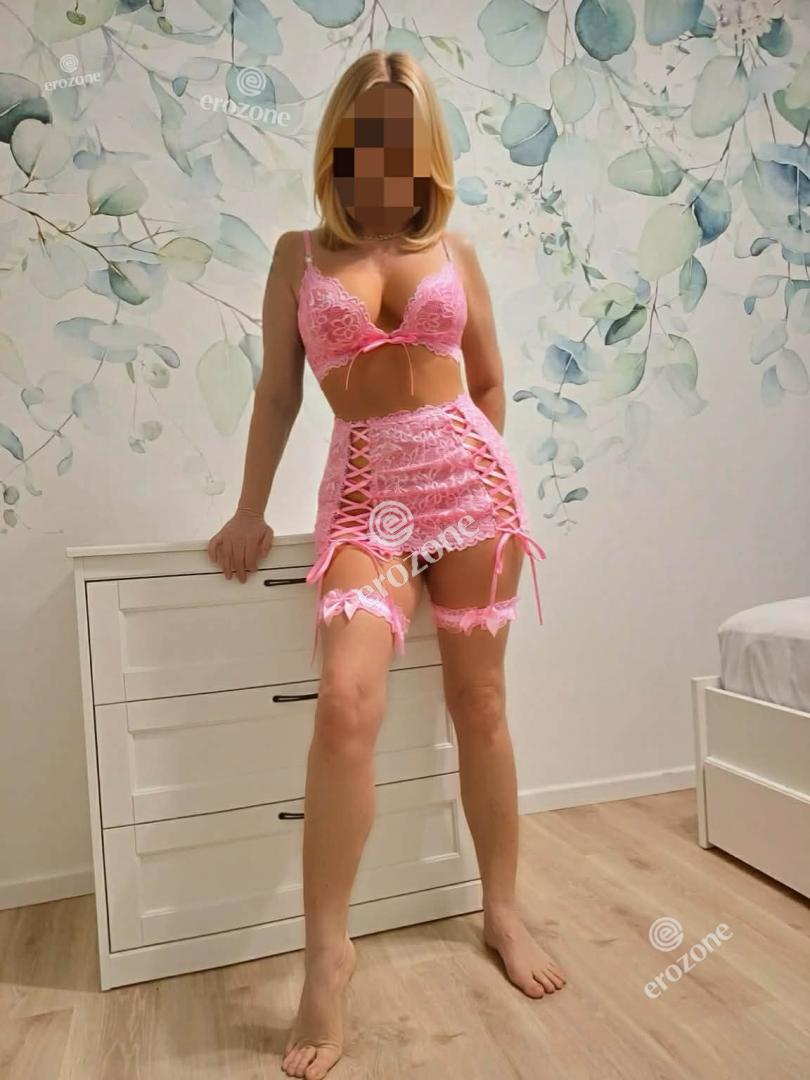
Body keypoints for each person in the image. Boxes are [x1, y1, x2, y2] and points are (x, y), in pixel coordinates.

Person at [207, 48, 566, 1080]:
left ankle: (502, 910)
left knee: (481, 704)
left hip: (471, 492)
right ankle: (328, 956)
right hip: (369, 502)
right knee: (346, 703)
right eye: (367, 129)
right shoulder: (296, 255)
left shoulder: (454, 250)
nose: (383, 149)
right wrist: (248, 510)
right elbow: (280, 393)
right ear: (341, 139)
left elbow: (488, 383)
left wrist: (476, 472)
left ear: (424, 148)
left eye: (401, 133)